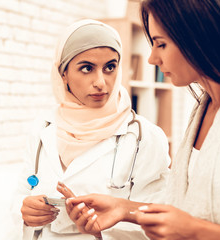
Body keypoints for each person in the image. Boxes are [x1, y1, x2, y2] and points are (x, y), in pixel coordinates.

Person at [63, 0, 220, 239]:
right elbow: (187, 207)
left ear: (201, 37)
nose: (152, 59)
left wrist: (196, 231)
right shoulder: (204, 108)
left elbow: (191, 224)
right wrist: (125, 209)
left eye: (161, 44)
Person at [18, 19, 171, 239]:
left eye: (110, 67)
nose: (101, 82)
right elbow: (21, 189)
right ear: (63, 74)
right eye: (87, 68)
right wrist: (24, 210)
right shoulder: (43, 127)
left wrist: (101, 231)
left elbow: (158, 220)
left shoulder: (145, 137)